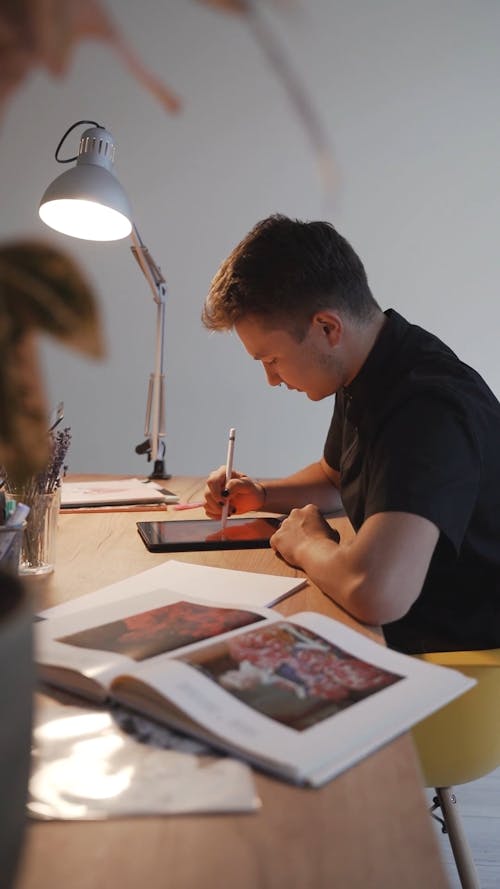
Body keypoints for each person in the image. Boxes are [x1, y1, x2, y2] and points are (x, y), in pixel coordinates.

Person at [201, 214, 500, 655]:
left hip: (459, 657)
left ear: (327, 328)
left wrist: (307, 544)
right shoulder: (367, 367)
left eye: (272, 359)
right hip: (405, 631)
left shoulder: (429, 408)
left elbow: (377, 591)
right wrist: (261, 494)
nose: (272, 379)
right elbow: (334, 478)